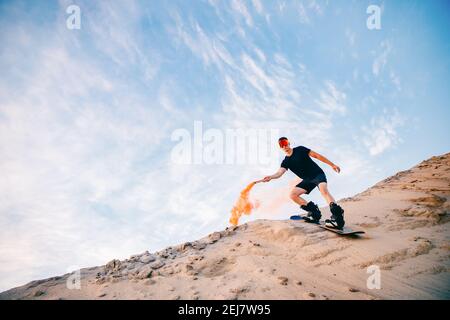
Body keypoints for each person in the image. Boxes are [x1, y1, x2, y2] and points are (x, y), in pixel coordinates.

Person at [262, 137, 345, 229]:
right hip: (308, 180)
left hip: (317, 174)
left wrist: (332, 165)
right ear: (280, 147)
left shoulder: (300, 149)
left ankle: (338, 218)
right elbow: (279, 173)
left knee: (323, 191)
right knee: (293, 195)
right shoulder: (286, 161)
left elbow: (317, 156)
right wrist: (270, 177)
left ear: (289, 143)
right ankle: (314, 213)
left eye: (285, 143)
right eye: (281, 144)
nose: (284, 146)